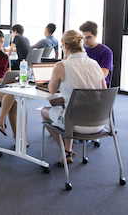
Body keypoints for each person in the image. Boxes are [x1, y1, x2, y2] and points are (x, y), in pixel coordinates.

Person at [40, 30, 106, 166]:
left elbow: (52, 90)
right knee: (68, 107)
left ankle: (65, 151)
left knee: (45, 111)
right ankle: (68, 150)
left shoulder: (61, 66)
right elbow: (103, 92)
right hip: (99, 122)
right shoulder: (95, 64)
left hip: (75, 124)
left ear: (64, 45)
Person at [79, 21, 113, 86]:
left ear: (96, 36)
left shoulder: (106, 51)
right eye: (83, 37)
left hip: (98, 86)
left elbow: (102, 75)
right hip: (82, 84)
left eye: (88, 37)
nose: (85, 40)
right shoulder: (79, 49)